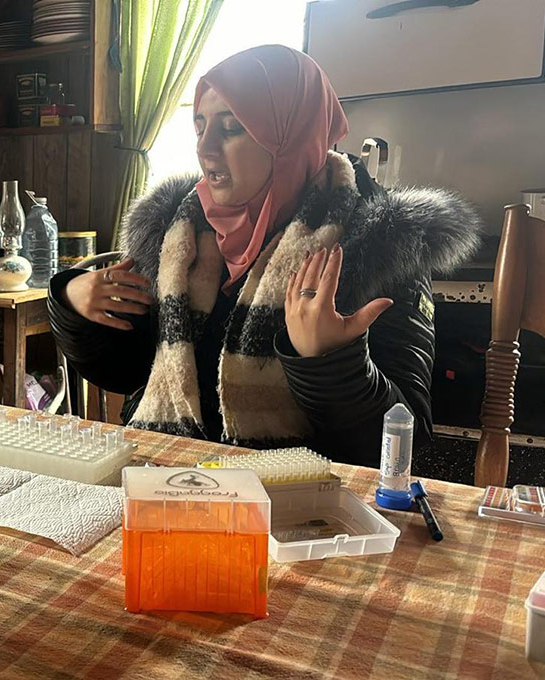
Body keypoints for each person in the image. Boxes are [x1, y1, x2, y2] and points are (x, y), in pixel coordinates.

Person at [49, 45, 482, 467]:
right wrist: (73, 307)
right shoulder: (177, 235)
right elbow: (128, 372)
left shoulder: (381, 244)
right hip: (167, 482)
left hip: (298, 512)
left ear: (289, 135)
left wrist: (333, 361)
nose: (205, 148)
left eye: (231, 128)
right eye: (200, 126)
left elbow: (405, 442)